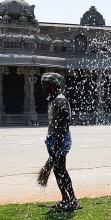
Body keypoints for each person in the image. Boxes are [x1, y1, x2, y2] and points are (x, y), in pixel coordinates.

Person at [38, 72, 80, 212]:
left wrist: (58, 143)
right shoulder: (53, 98)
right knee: (58, 170)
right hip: (55, 138)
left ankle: (71, 200)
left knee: (60, 170)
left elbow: (65, 121)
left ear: (53, 85)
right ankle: (66, 199)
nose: (43, 88)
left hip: (59, 139)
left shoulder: (59, 100)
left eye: (46, 85)